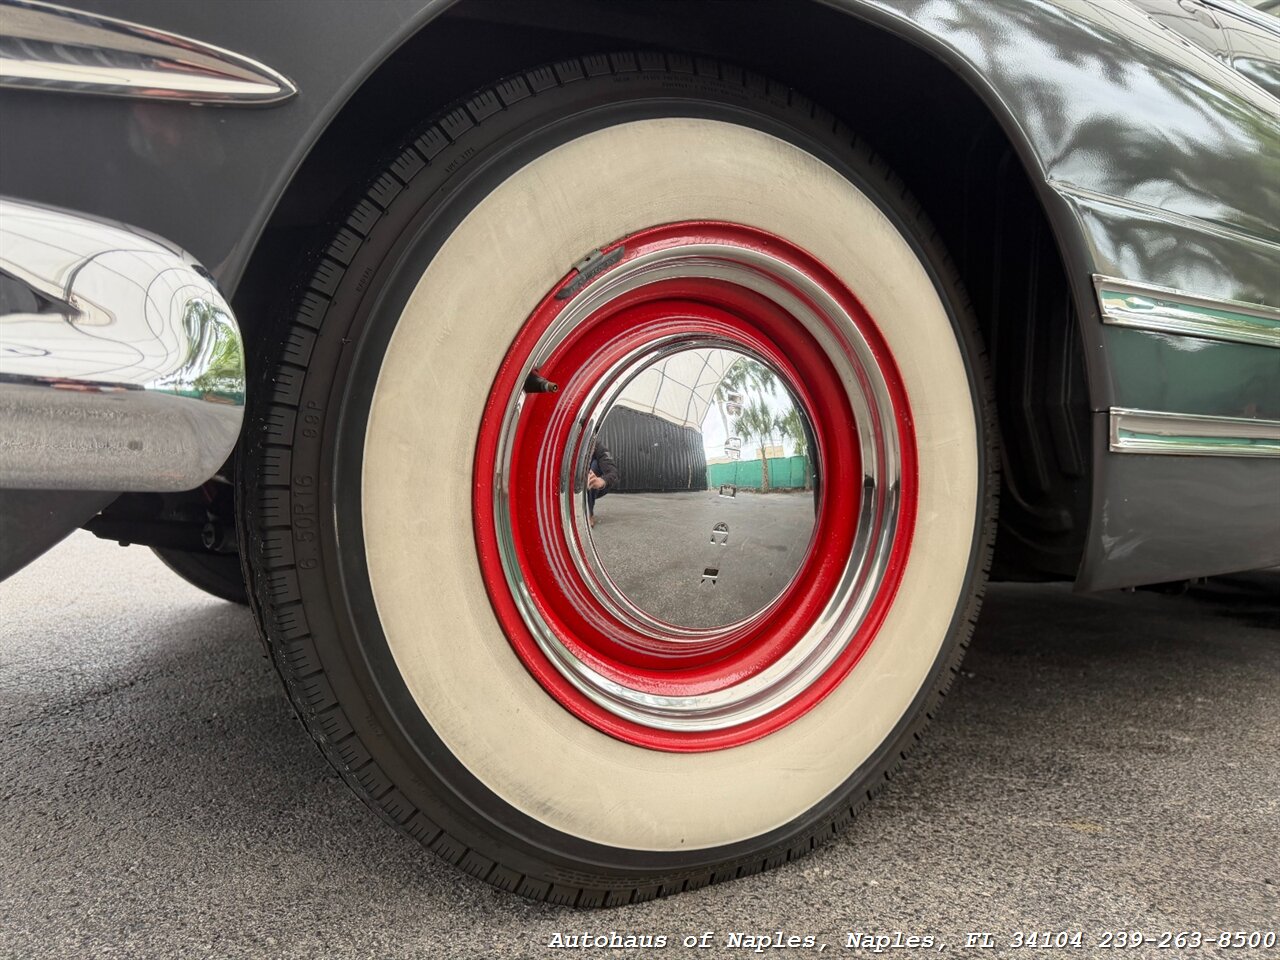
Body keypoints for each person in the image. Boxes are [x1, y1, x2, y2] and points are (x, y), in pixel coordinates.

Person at [586, 439, 618, 527]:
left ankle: (589, 512)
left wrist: (602, 481)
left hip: (593, 485)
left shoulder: (598, 447)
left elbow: (612, 471)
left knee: (594, 466)